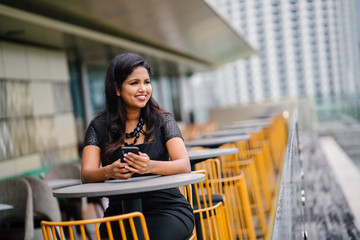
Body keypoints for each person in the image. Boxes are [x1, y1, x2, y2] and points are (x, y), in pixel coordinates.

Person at [81, 53, 194, 239]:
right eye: (134, 83)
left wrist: (151, 166)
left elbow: (184, 165)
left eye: (147, 82)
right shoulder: (98, 126)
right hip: (120, 214)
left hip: (167, 210)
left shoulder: (163, 120)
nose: (143, 89)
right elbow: (86, 175)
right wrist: (109, 172)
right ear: (117, 89)